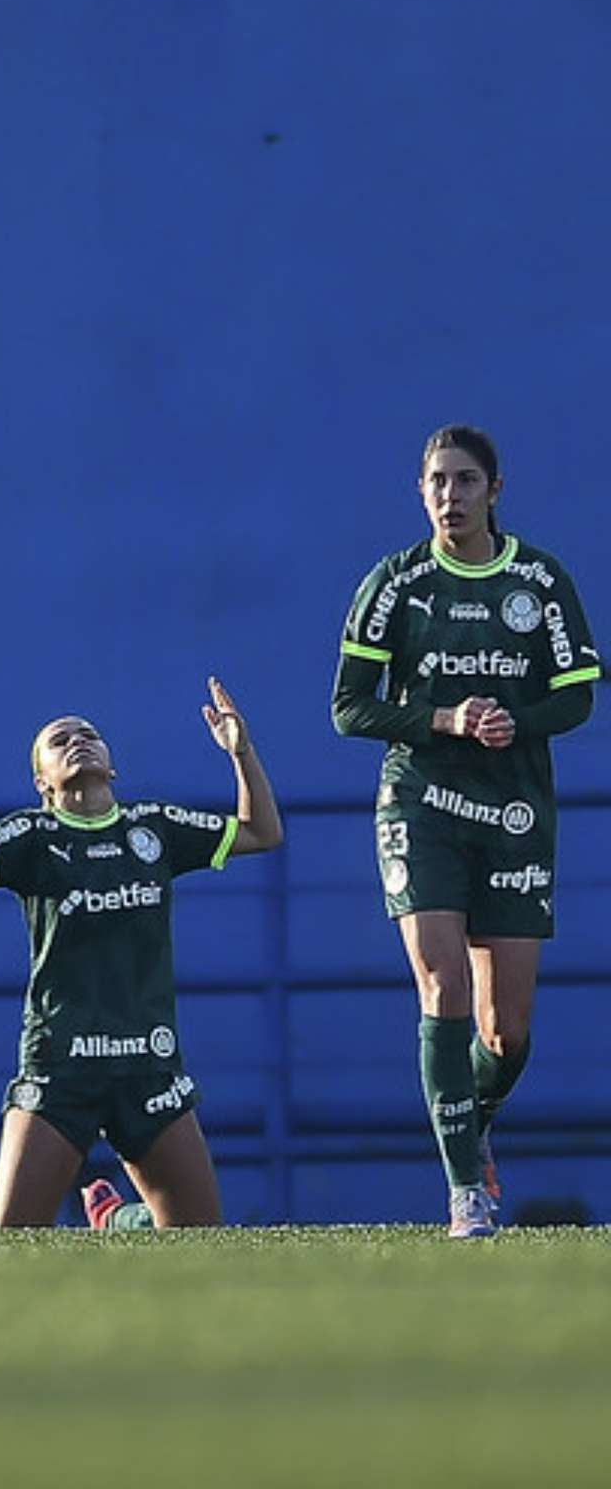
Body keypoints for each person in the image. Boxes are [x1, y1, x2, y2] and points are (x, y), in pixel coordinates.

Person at [332, 425, 599, 1238]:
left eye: (466, 481)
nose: (451, 495)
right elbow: (349, 706)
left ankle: (468, 1114)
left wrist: (512, 722)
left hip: (514, 814)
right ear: (421, 492)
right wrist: (445, 716)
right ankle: (465, 1195)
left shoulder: (539, 581)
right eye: (438, 482)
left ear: (496, 490)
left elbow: (579, 692)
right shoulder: (395, 584)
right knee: (440, 987)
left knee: (505, 1032)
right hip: (421, 806)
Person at [0, 677, 283, 1229]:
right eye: (60, 740)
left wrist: (240, 752)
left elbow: (262, 832)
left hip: (149, 1067)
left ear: (113, 766)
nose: (78, 740)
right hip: (62, 1068)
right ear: (42, 781)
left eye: (89, 734)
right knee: (9, 1244)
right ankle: (2, 1212)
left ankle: (120, 1223)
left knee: (199, 1244)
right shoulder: (32, 835)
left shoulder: (153, 827)